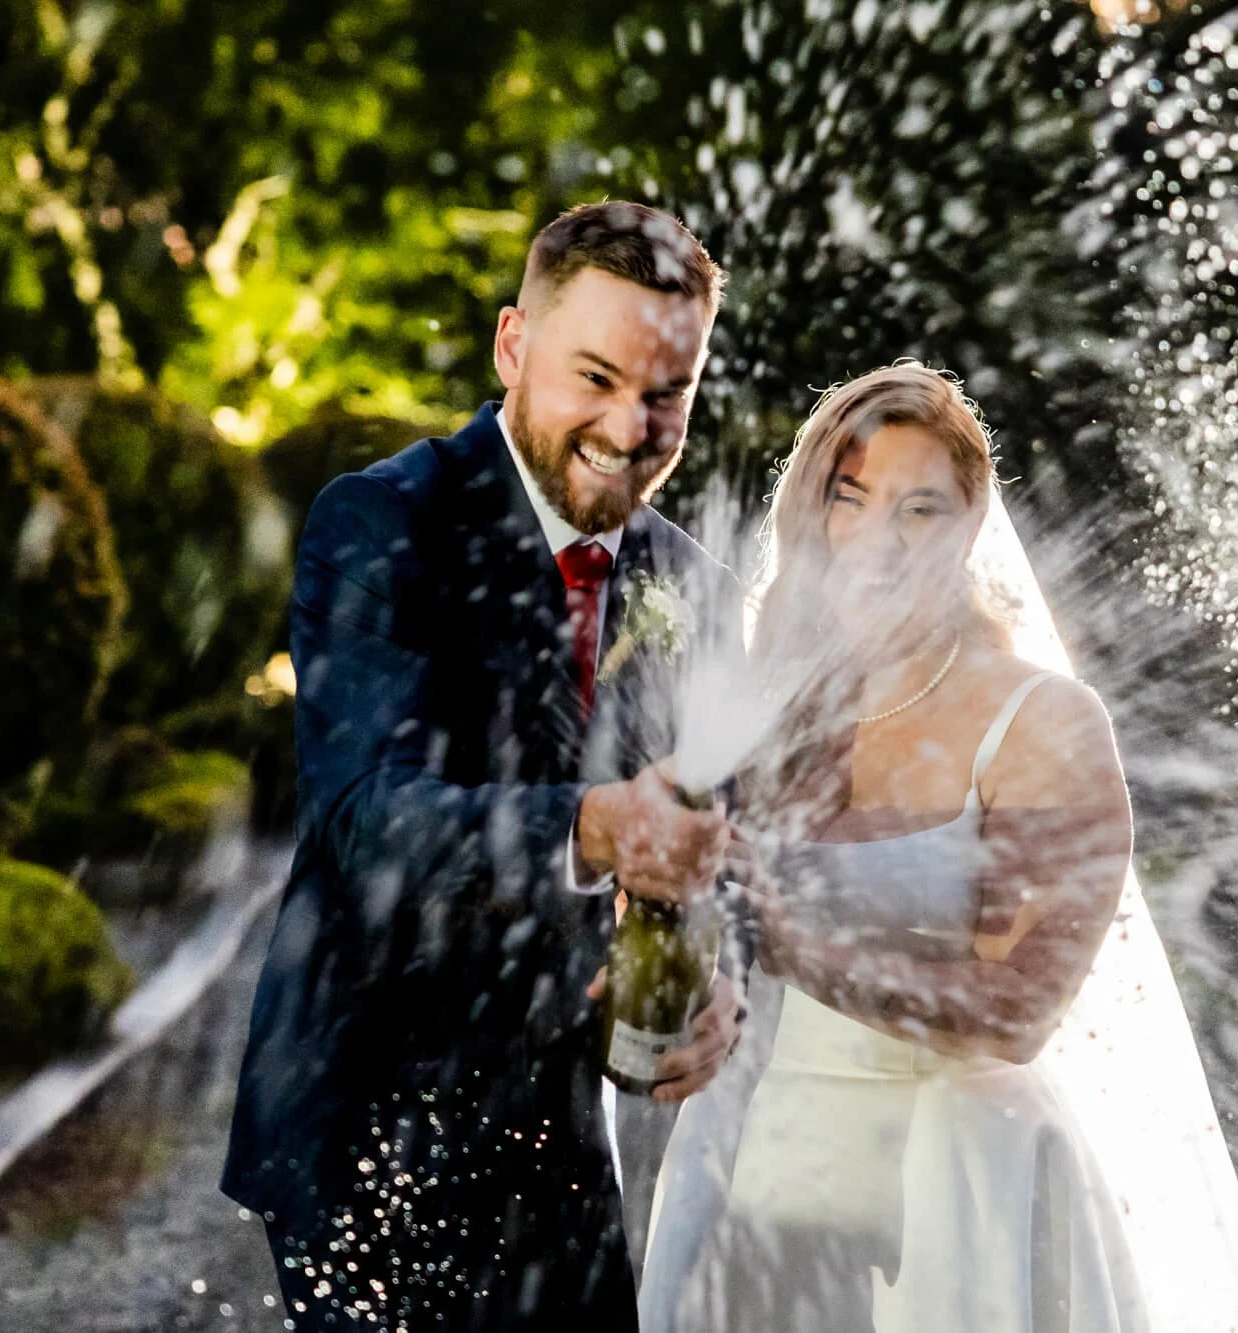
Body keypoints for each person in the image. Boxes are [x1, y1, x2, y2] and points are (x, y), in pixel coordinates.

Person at [221, 201, 747, 1332]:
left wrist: (718, 976)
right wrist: (595, 826)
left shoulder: (691, 581)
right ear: (513, 345)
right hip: (370, 1125)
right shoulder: (381, 524)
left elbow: (722, 836)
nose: (628, 424)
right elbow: (366, 818)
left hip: (557, 1136)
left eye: (667, 394)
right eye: (594, 377)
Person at [639, 361, 1238, 1332]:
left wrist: (786, 938)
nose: (877, 541)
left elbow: (1019, 1012)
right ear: (813, 515)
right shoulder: (762, 712)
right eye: (851, 497)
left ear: (966, 529)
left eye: (919, 509)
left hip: (954, 1187)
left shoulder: (1041, 722)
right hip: (741, 1173)